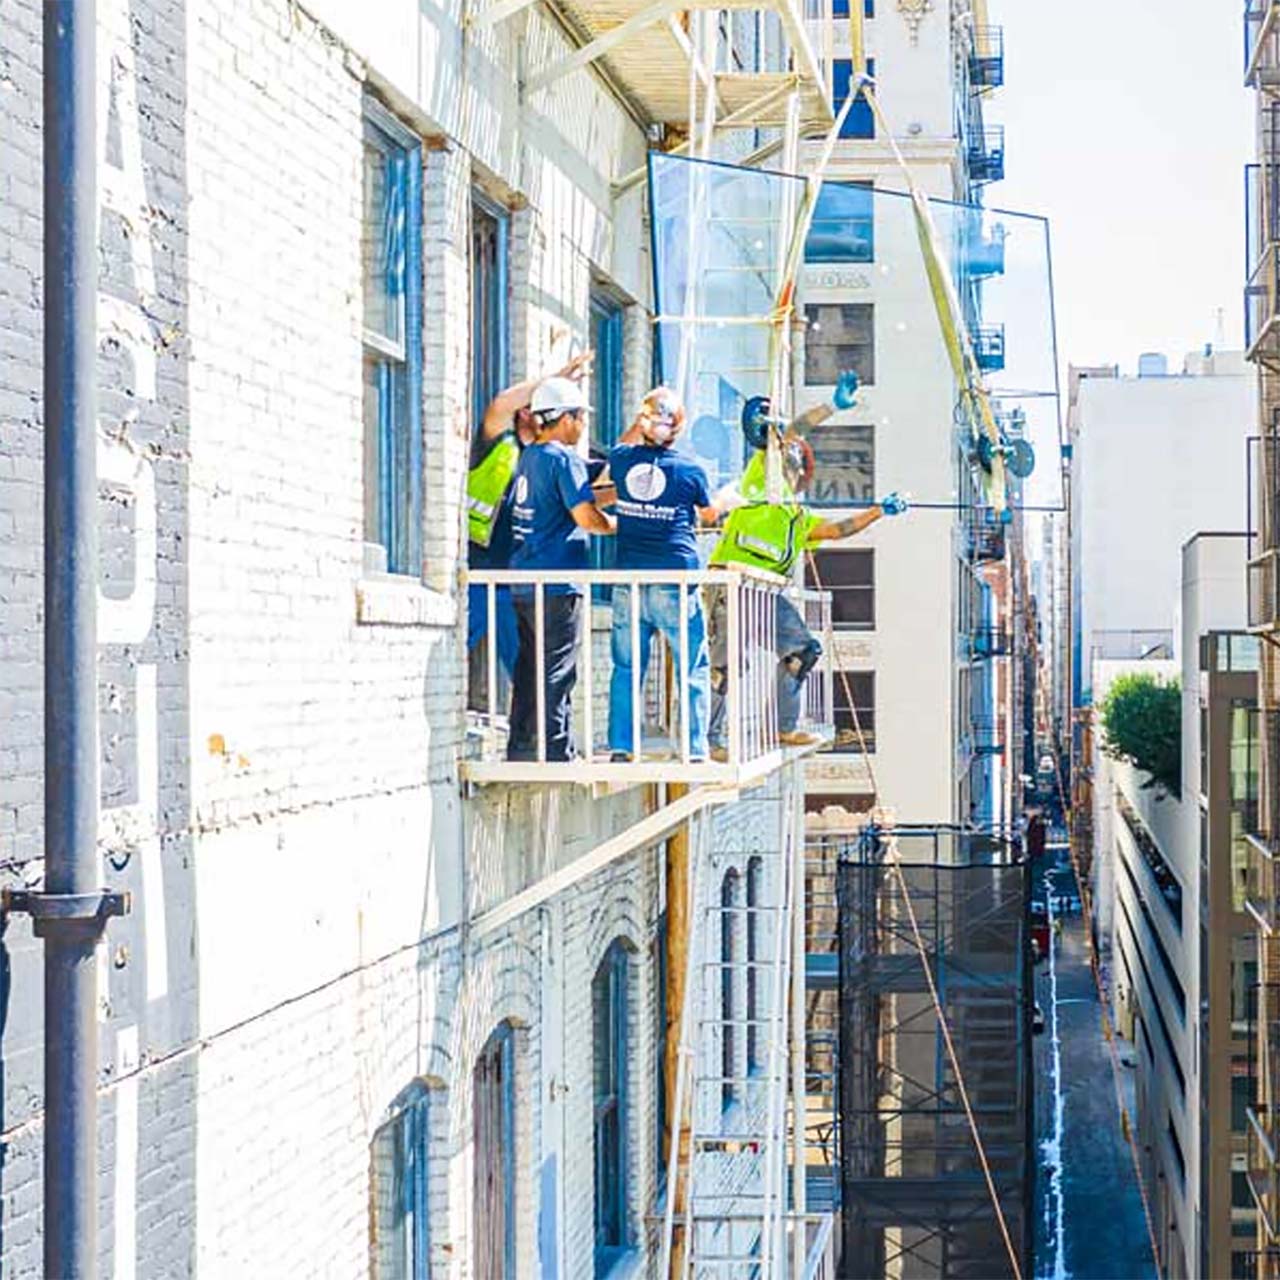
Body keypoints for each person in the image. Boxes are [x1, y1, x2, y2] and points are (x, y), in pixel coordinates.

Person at [707, 388, 908, 756]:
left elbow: (837, 530)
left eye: (796, 459)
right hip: (731, 584)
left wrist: (878, 511)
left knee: (803, 650)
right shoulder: (759, 483)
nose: (791, 457)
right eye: (789, 454)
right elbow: (792, 432)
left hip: (765, 594)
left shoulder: (797, 519)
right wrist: (832, 406)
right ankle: (709, 739)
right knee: (726, 664)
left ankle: (783, 727)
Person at [606, 387, 721, 761]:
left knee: (626, 668)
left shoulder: (622, 460)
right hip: (675, 580)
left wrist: (642, 419)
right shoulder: (690, 472)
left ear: (643, 422)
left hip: (630, 581)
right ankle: (694, 748)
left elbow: (620, 445)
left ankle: (622, 746)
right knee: (691, 667)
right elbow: (708, 516)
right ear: (678, 430)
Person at [466, 351, 592, 688]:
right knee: (456, 644)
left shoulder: (551, 459)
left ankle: (528, 738)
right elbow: (500, 404)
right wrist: (556, 379)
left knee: (529, 674)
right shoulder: (497, 441)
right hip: (478, 573)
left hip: (518, 583)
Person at [506, 375, 615, 761]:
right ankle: (557, 750)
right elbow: (585, 517)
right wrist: (617, 524)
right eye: (580, 418)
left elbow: (577, 494)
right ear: (565, 418)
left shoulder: (531, 456)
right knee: (558, 669)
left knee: (529, 668)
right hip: (557, 586)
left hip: (524, 583)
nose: (583, 425)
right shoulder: (564, 459)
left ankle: (520, 746)